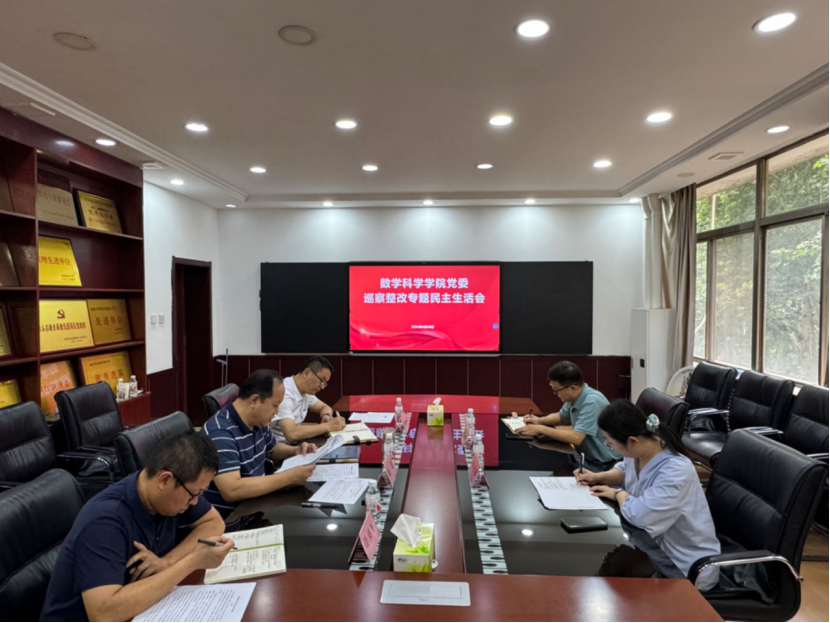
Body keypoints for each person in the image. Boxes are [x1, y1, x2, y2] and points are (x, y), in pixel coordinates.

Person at [40, 432, 234, 622]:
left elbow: (213, 522)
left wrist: (167, 562)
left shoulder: (168, 492)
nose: (195, 502)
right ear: (165, 480)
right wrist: (191, 562)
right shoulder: (104, 520)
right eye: (194, 493)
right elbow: (103, 614)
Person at [576, 400, 721, 591]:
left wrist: (618, 493)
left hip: (684, 564)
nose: (610, 446)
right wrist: (598, 477)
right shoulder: (639, 451)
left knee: (610, 587)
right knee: (605, 580)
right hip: (652, 545)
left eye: (610, 443)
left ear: (632, 441)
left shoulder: (675, 470)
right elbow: (625, 471)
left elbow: (641, 516)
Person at [203, 369, 318, 522]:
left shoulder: (256, 420)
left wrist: (296, 451)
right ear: (254, 400)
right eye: (275, 405)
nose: (276, 412)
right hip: (230, 518)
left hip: (255, 504)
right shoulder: (221, 433)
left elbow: (272, 450)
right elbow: (232, 490)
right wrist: (289, 477)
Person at [516, 361, 621, 472]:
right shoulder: (575, 397)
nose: (556, 394)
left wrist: (541, 429)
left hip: (605, 465)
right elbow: (561, 417)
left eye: (556, 390)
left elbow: (576, 438)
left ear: (572, 388)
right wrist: (540, 421)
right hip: (586, 457)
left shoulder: (592, 401)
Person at [268, 355, 346, 443]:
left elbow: (324, 407)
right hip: (279, 447)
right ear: (307, 373)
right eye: (321, 380)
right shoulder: (284, 394)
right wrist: (328, 426)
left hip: (296, 443)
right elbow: (291, 434)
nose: (322, 387)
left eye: (324, 383)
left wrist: (326, 415)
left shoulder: (305, 391)